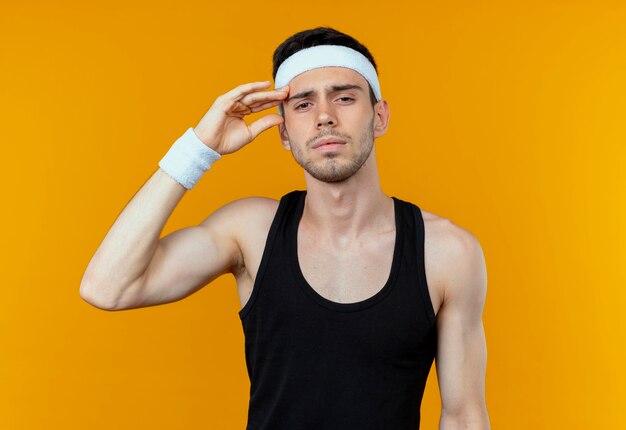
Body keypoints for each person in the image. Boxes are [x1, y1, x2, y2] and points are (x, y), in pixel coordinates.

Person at [80, 27, 491, 430]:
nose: (326, 117)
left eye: (345, 98)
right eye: (303, 105)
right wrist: (198, 150)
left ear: (379, 116)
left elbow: (464, 416)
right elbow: (107, 287)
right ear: (283, 132)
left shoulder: (447, 252)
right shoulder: (251, 232)